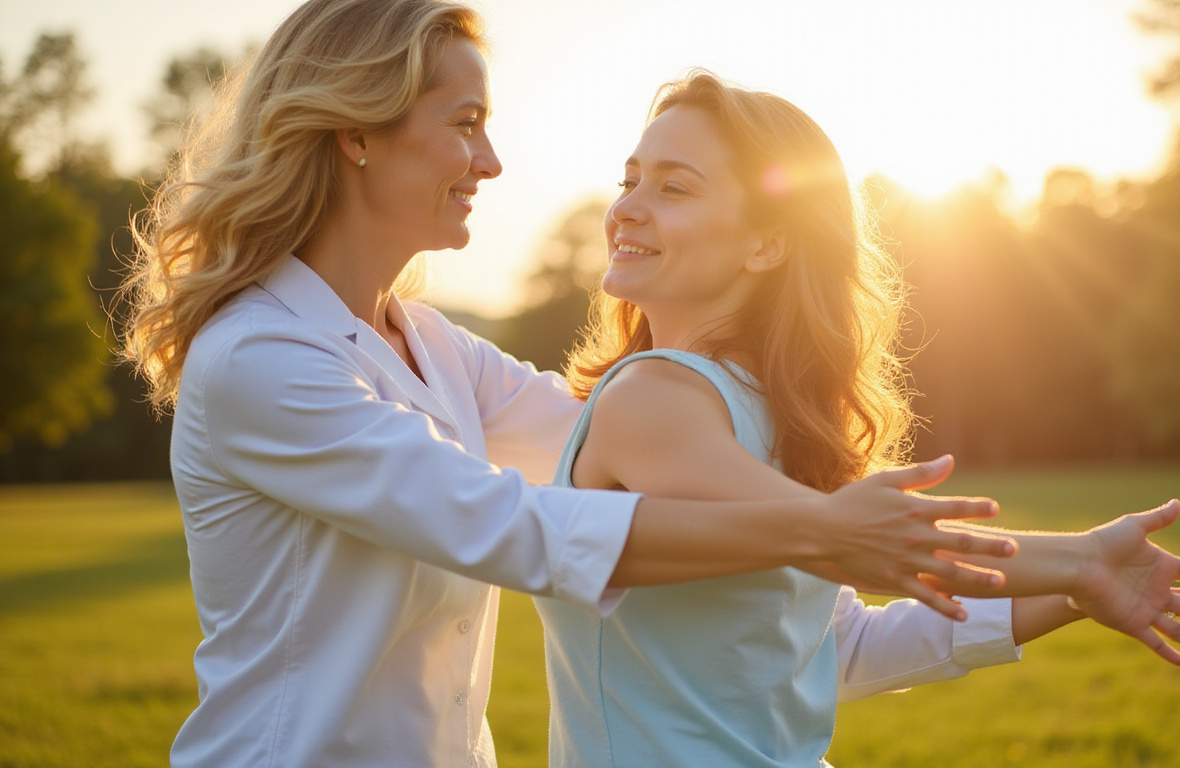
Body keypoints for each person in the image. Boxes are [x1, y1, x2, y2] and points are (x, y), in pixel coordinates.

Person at [117, 2, 1023, 766]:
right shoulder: (260, 360)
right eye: (465, 124)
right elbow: (513, 527)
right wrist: (825, 527)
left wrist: (1070, 569)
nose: (491, 162)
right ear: (356, 129)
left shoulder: (433, 346)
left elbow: (624, 444)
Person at [533, 72, 1180, 767]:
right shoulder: (663, 402)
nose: (626, 207)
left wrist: (1076, 584)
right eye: (630, 181)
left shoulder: (664, 397)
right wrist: (1078, 567)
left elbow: (837, 638)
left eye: (673, 186)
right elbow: (845, 541)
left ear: (767, 244)